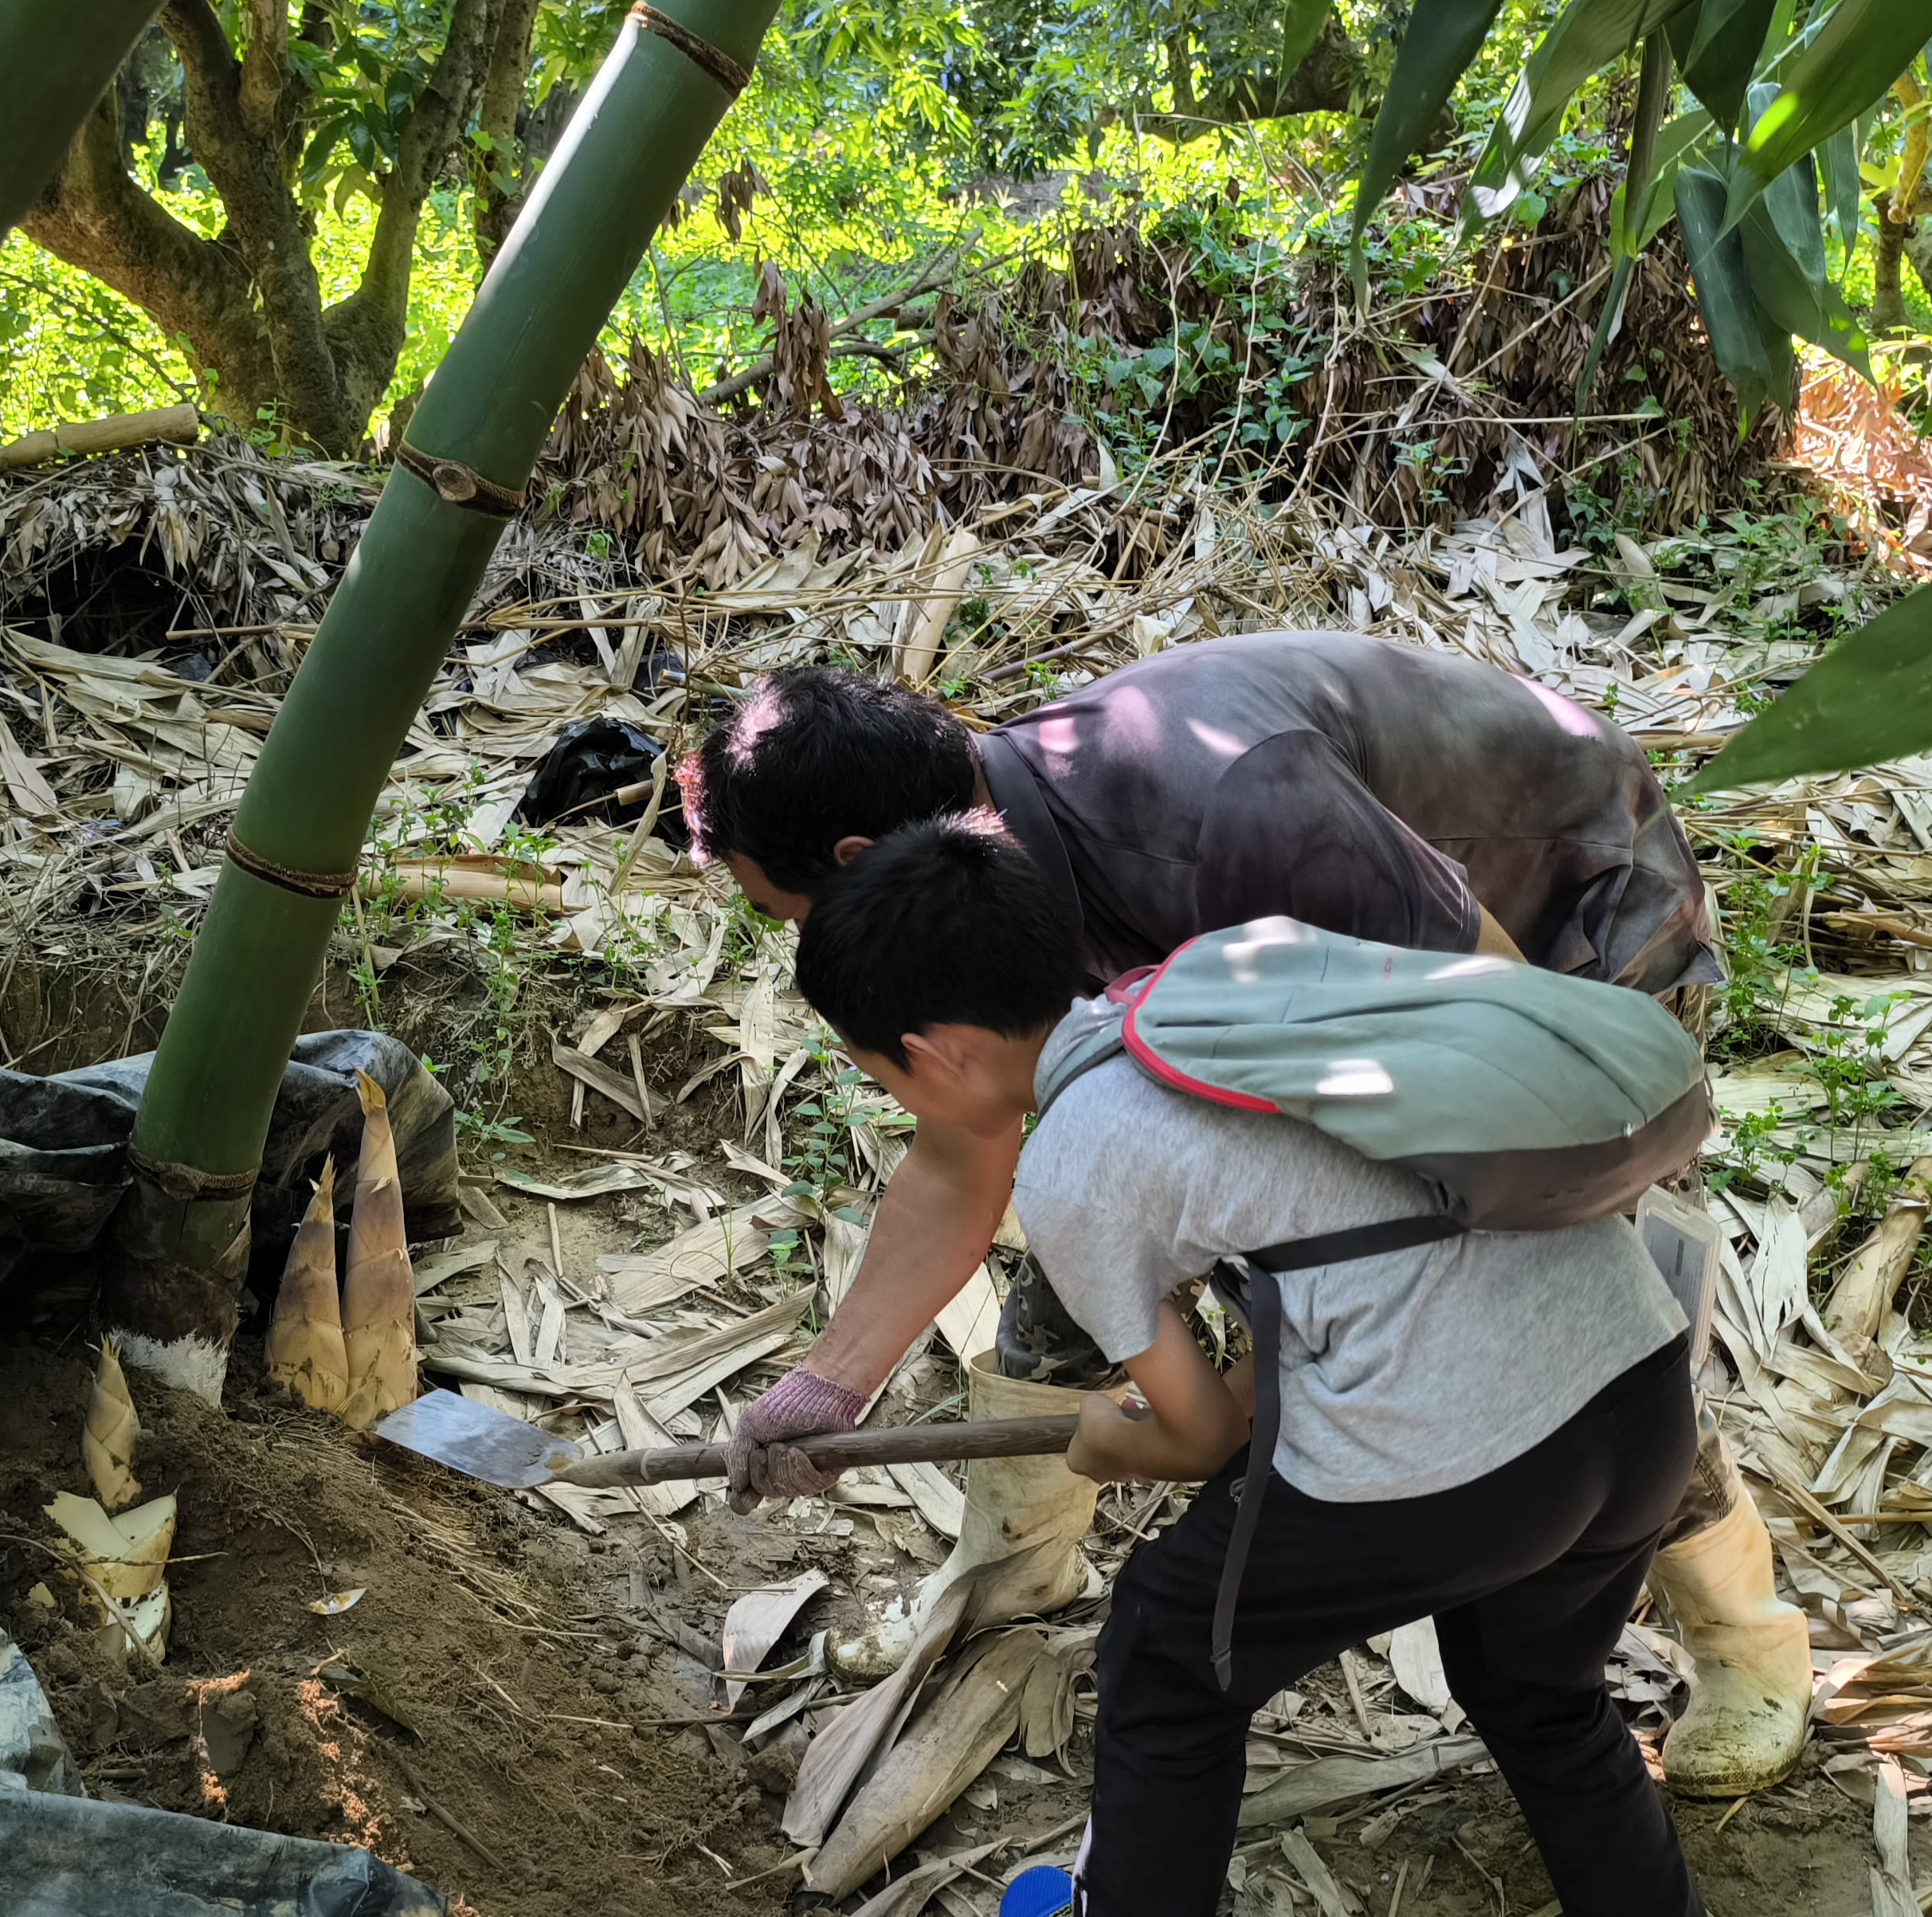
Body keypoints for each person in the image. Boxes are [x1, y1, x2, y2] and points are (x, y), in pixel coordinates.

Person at [786, 816, 1834, 1917]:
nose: (889, 1092)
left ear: (936, 1056)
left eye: (876, 1069)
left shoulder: (1079, 1160)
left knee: (1168, 1643)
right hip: (1637, 1387)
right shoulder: (1228, 975)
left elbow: (1206, 1433)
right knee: (1540, 1694)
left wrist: (1107, 1444)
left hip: (1455, 1466)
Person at [687, 639, 1809, 1797]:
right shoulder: (980, 868)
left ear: (859, 859)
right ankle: (1011, 1566)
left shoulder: (1228, 811)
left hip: (1556, 943)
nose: (797, 948)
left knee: (1546, 1301)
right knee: (1095, 1246)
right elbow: (967, 1152)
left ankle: (1743, 1635)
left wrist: (1291, 1351)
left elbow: (1499, 1030)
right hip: (1350, 982)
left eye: (786, 915)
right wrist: (830, 1384)